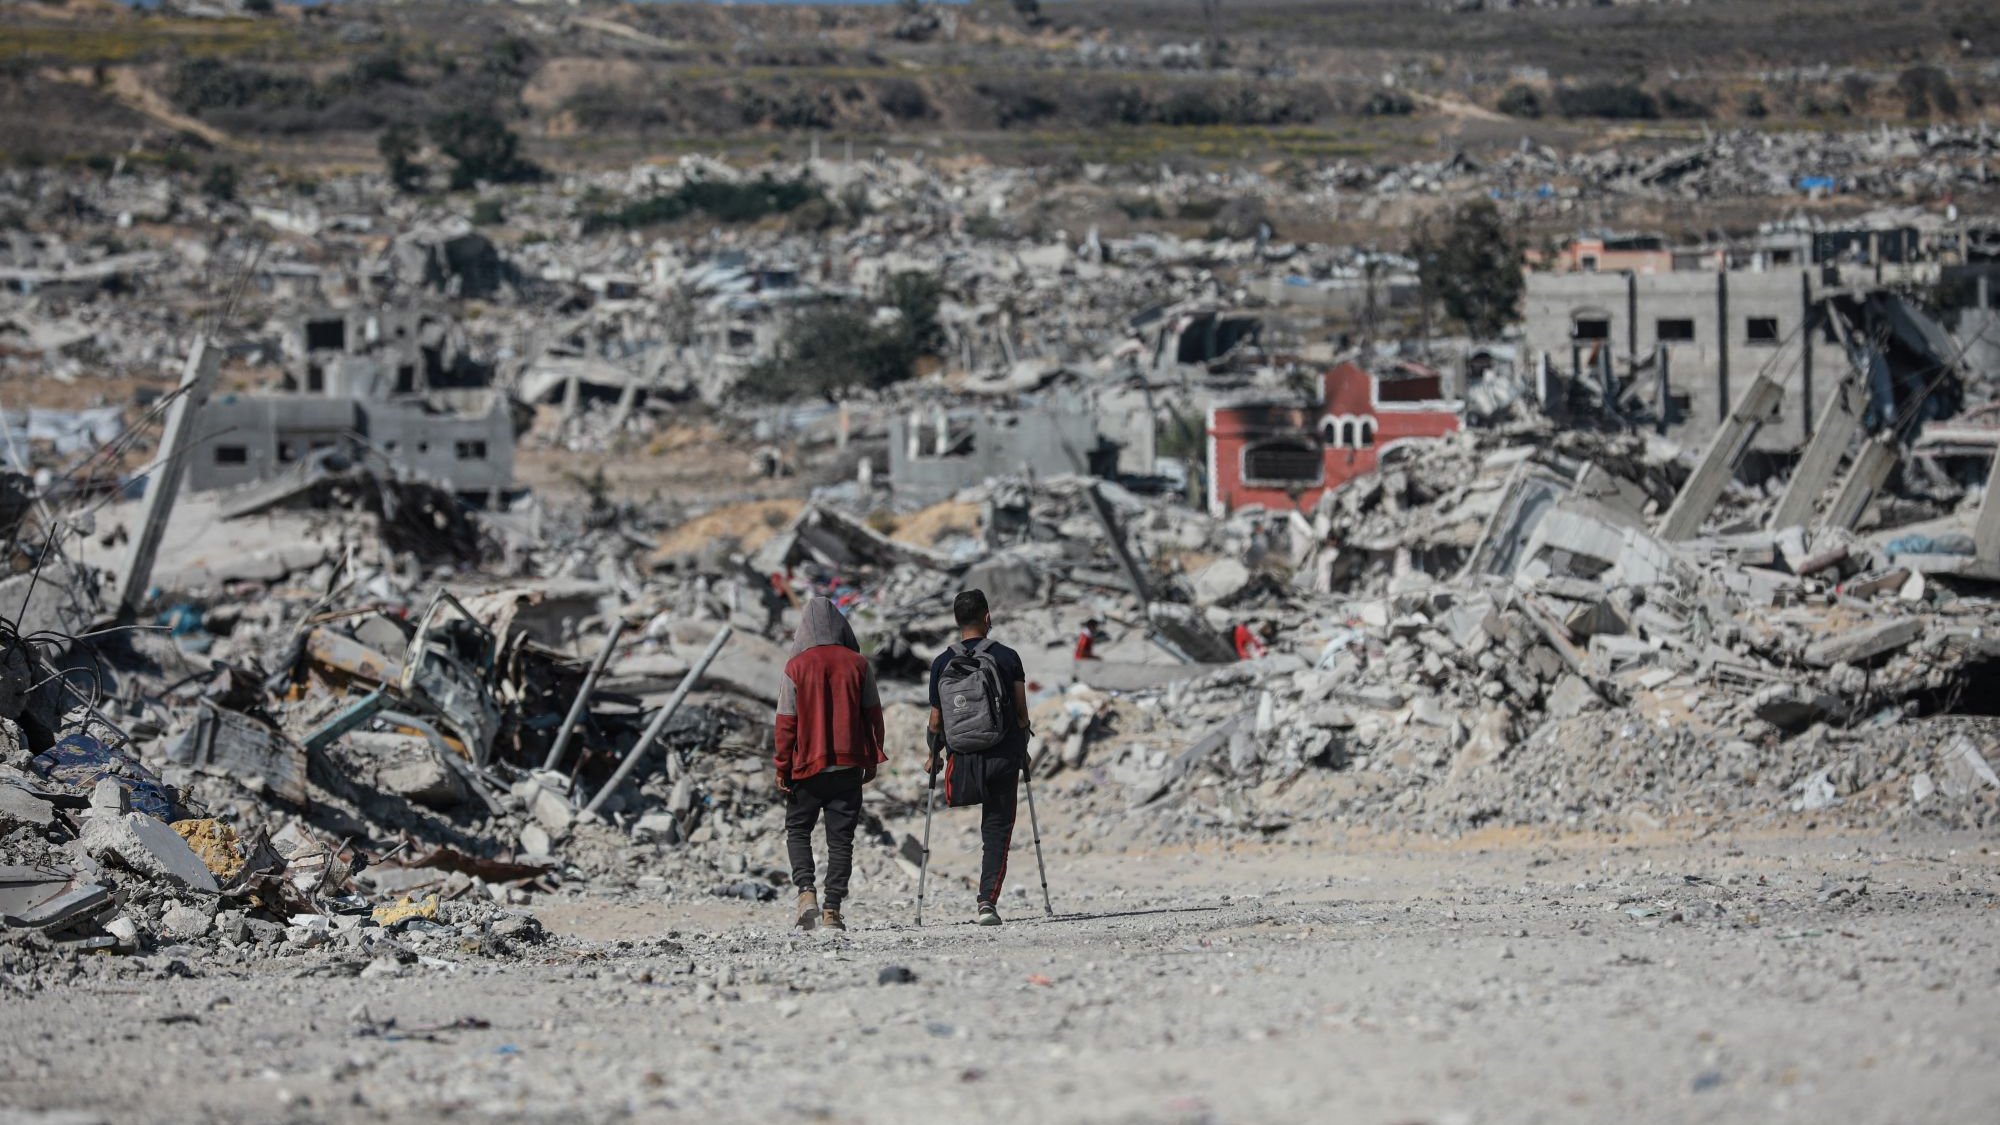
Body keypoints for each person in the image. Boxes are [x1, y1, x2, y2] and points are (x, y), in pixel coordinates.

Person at [774, 597, 885, 932]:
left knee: (797, 830)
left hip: (806, 766)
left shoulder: (795, 667)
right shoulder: (858, 664)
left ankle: (806, 893)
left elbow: (786, 722)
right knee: (841, 841)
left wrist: (782, 766)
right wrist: (873, 754)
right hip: (848, 766)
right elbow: (873, 714)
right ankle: (832, 910)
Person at [926, 588, 1033, 927]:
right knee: (997, 830)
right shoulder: (1008, 657)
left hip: (962, 764)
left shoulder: (942, 662)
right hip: (1002, 756)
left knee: (986, 824)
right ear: (987, 617)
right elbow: (1020, 712)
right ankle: (987, 901)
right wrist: (1023, 745)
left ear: (957, 622)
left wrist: (934, 755)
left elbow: (935, 720)